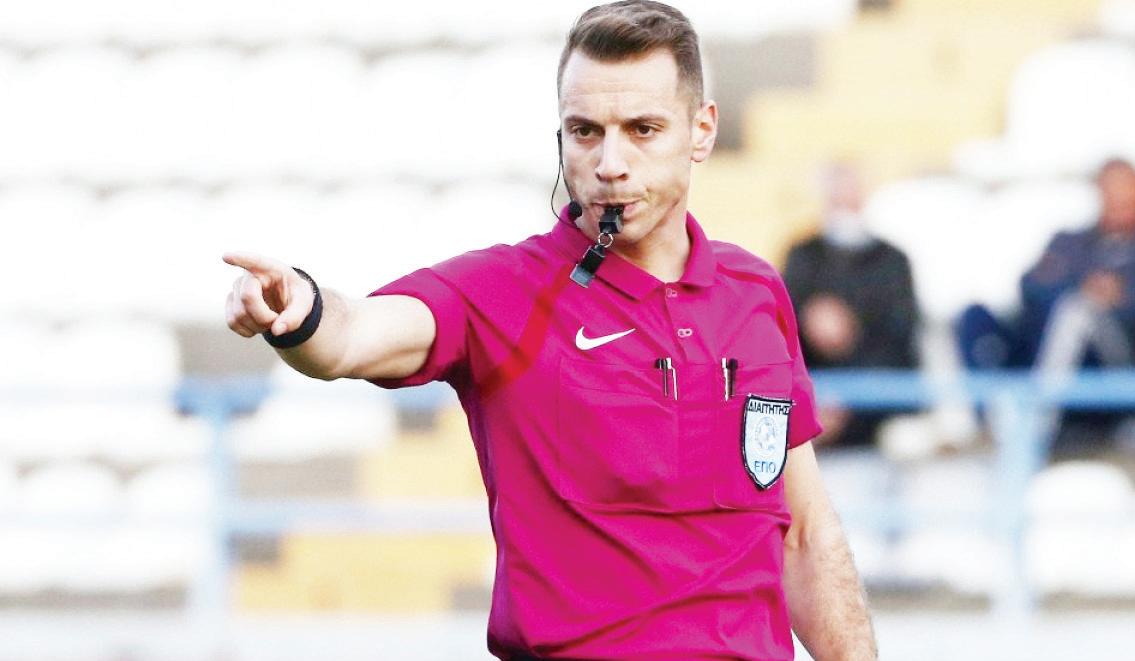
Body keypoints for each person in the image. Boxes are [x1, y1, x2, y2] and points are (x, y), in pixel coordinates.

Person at [223, 2, 876, 659]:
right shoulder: (504, 291)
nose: (610, 162)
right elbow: (353, 337)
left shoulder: (755, 291)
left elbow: (804, 535)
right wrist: (302, 309)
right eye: (585, 131)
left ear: (701, 131)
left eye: (643, 129)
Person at [957, 158, 1135, 447]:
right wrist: (1085, 285)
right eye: (1112, 192)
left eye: (1128, 194)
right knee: (974, 317)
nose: (1120, 202)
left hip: (1108, 367)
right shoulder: (1068, 240)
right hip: (1038, 344)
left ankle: (1035, 427)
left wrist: (1069, 282)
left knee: (1077, 312)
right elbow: (1031, 286)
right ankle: (992, 421)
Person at [781, 164, 919, 448]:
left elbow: (900, 335)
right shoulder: (803, 256)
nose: (844, 203)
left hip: (877, 409)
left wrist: (847, 399)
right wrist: (810, 320)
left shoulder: (892, 261)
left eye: (851, 193)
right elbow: (781, 327)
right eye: (837, 195)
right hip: (812, 400)